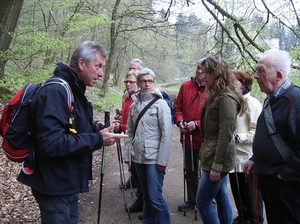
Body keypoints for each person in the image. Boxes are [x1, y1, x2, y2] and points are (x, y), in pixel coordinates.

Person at [17, 41, 127, 224]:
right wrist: (97, 139)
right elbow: (51, 144)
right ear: (82, 63)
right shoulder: (56, 91)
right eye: (98, 66)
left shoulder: (73, 89)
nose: (101, 73)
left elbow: (68, 127)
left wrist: (93, 128)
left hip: (66, 182)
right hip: (54, 184)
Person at [244, 49, 300, 223]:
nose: (255, 76)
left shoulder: (295, 100)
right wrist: (256, 158)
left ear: (279, 74)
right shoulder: (273, 98)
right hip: (271, 181)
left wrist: (284, 174)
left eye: (261, 70)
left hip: (287, 186)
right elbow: (270, 135)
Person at [196, 56, 247, 224]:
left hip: (217, 159)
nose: (201, 76)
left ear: (216, 73)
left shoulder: (226, 98)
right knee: (221, 197)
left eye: (205, 72)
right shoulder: (215, 94)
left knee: (203, 202)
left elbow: (225, 135)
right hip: (212, 155)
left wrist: (217, 166)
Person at [124, 67, 172, 224]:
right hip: (138, 156)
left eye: (149, 81)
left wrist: (162, 160)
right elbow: (130, 132)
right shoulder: (134, 105)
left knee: (154, 196)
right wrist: (127, 155)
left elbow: (166, 135)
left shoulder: (161, 105)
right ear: (138, 83)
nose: (147, 84)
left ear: (154, 82)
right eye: (143, 81)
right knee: (145, 195)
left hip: (154, 158)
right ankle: (149, 221)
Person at [229, 70, 264, 224]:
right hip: (233, 159)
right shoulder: (231, 102)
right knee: (239, 196)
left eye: (233, 80)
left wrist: (237, 137)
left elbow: (258, 132)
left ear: (242, 83)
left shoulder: (253, 103)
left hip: (247, 158)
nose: (229, 83)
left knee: (252, 199)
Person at [174, 58, 206, 211]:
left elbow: (216, 117)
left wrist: (198, 124)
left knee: (207, 173)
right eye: (198, 67)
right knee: (191, 170)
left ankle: (206, 200)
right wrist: (180, 122)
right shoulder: (186, 86)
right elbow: (177, 108)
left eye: (204, 69)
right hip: (188, 138)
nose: (199, 71)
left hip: (206, 140)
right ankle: (192, 200)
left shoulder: (214, 89)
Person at [115, 58, 145, 215]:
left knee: (139, 172)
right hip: (127, 136)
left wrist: (122, 126)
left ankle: (142, 201)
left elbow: (138, 125)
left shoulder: (139, 99)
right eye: (126, 81)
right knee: (133, 168)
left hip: (135, 138)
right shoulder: (126, 97)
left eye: (131, 82)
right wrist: (121, 120)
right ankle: (141, 199)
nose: (128, 84)